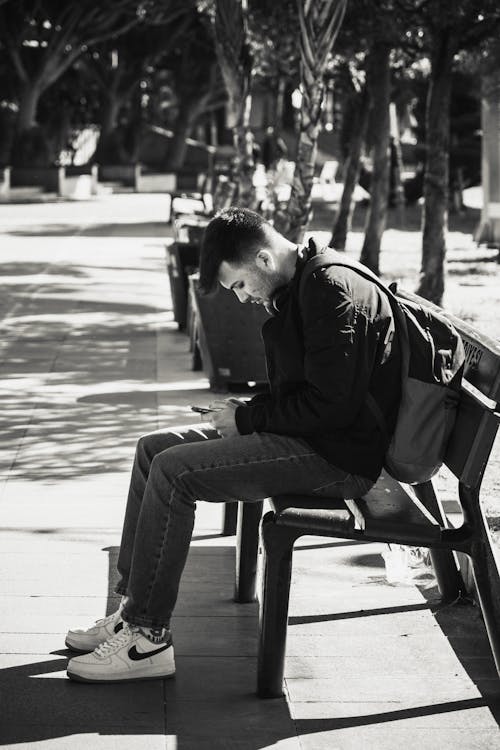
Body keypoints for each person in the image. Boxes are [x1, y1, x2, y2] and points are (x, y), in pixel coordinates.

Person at [65, 206, 401, 683]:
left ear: (263, 260)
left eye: (240, 285)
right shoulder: (303, 283)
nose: (242, 299)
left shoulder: (331, 291)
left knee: (174, 472)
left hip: (339, 458)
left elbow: (332, 408)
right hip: (313, 438)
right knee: (152, 450)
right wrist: (249, 408)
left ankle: (147, 639)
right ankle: (131, 608)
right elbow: (313, 392)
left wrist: (247, 418)